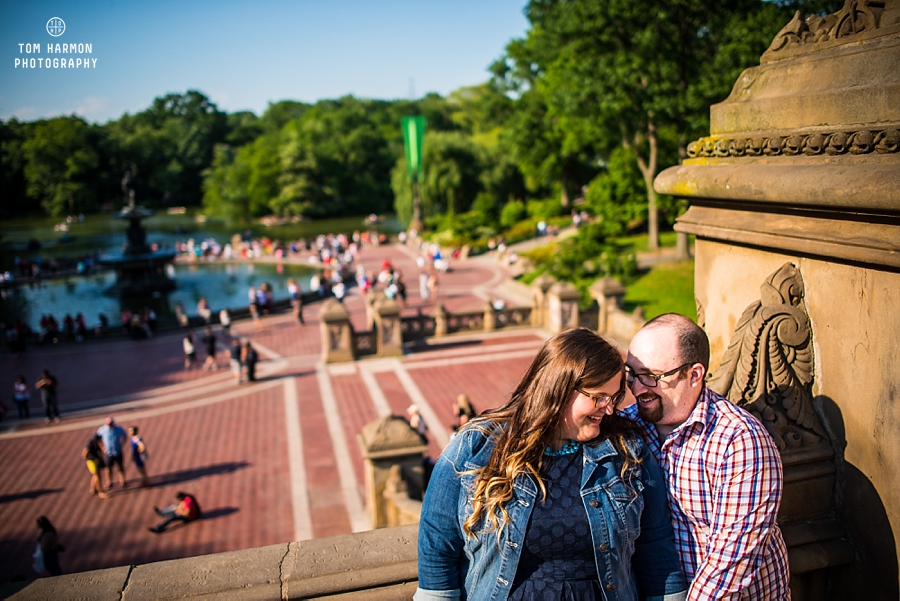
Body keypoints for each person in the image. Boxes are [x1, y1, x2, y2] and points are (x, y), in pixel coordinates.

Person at [416, 328, 686, 601]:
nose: (609, 409)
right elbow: (437, 547)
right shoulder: (477, 446)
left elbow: (656, 548)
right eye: (599, 397)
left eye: (615, 398)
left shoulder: (627, 452)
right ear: (560, 389)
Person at [623, 313, 789, 599]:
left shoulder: (740, 441)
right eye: (632, 375)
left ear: (694, 374)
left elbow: (732, 562)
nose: (637, 389)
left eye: (651, 377)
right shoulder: (627, 426)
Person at [97, 417, 128, 488]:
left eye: (111, 423)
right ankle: (109, 481)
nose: (110, 425)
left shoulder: (118, 429)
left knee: (120, 466)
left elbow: (125, 436)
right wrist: (102, 447)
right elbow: (98, 439)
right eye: (109, 424)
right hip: (108, 452)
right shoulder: (102, 430)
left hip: (117, 451)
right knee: (108, 468)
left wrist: (122, 444)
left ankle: (122, 481)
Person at [82, 435, 108, 499]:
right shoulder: (90, 446)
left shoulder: (97, 445)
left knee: (95, 475)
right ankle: (100, 491)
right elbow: (84, 455)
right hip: (91, 462)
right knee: (97, 476)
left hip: (96, 461)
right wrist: (93, 458)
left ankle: (93, 489)